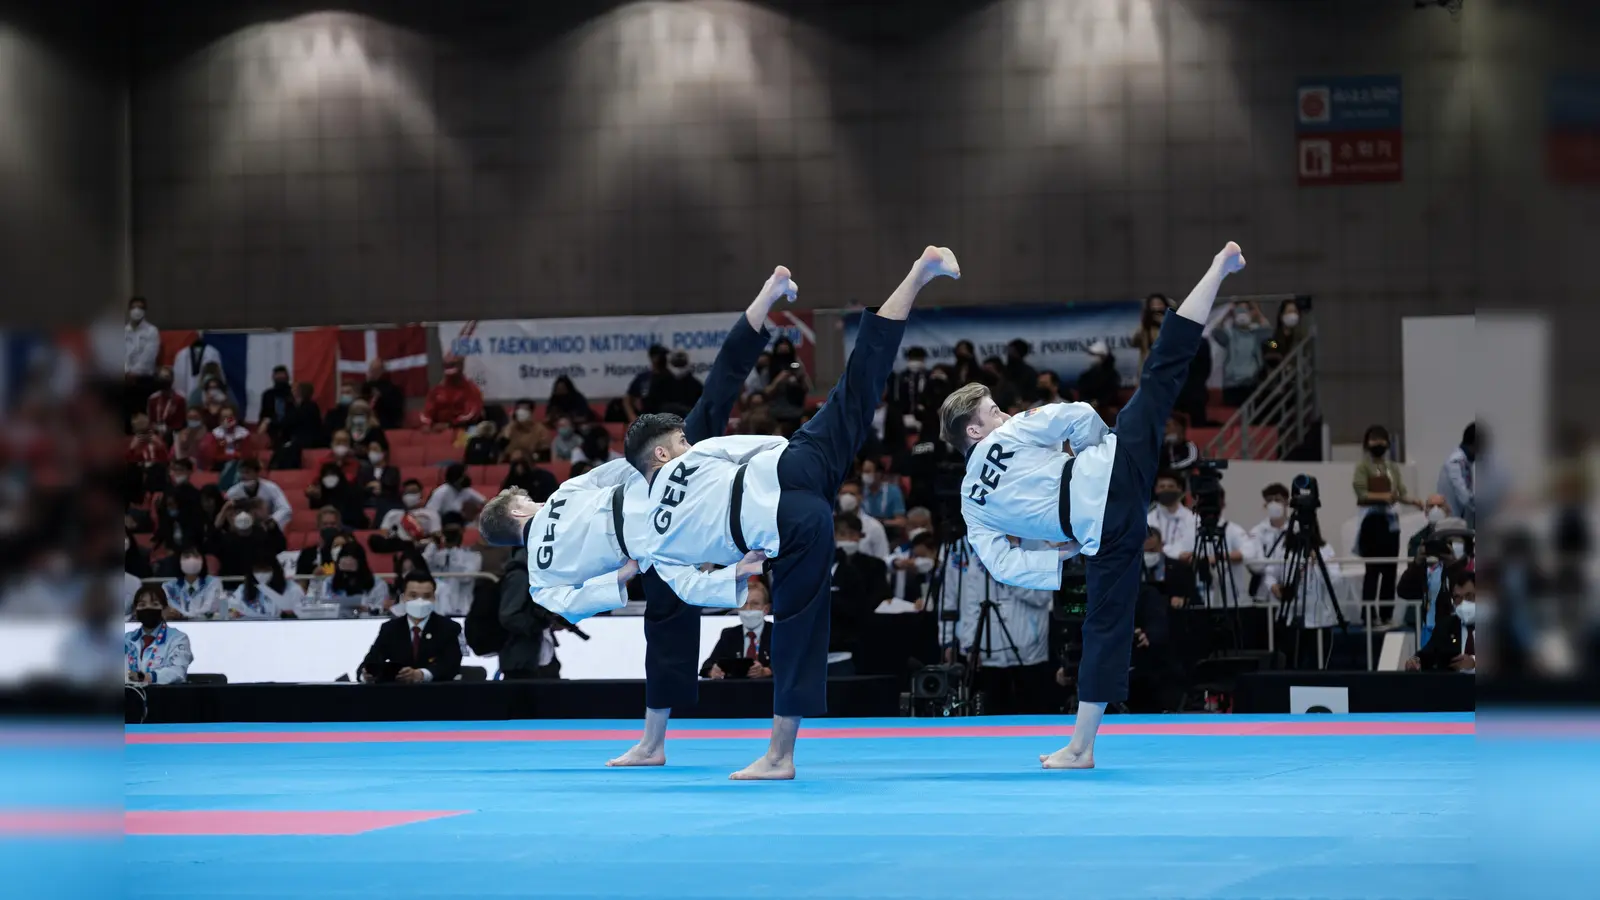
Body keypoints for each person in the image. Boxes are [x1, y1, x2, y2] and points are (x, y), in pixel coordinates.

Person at [621, 245, 959, 779]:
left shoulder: (656, 519)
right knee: (857, 387)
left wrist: (739, 571)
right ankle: (919, 274)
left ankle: (780, 756)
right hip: (796, 457)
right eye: (679, 436)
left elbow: (682, 588)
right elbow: (727, 372)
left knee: (798, 624)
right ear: (660, 454)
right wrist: (769, 294)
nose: (689, 436)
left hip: (785, 517)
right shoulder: (689, 458)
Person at [942, 241, 1245, 769]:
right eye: (993, 410)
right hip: (1115, 469)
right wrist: (1099, 447)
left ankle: (1081, 747)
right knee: (1161, 373)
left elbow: (1001, 563)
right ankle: (1219, 269)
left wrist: (1057, 558)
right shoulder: (1010, 433)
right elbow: (1077, 412)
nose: (1003, 412)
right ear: (974, 429)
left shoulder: (972, 505)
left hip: (1099, 532)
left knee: (1103, 626)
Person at [473, 266, 793, 765]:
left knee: (666, 633)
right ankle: (766, 299)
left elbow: (568, 605)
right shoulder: (560, 494)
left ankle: (653, 743)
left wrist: (620, 578)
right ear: (516, 509)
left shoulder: (538, 575)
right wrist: (659, 466)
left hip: (651, 543)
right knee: (715, 395)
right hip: (657, 494)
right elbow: (614, 472)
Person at [954, 541, 1056, 715]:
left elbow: (1042, 596)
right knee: (993, 722)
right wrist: (971, 643)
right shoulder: (981, 552)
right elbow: (970, 603)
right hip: (990, 652)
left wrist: (1007, 574)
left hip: (1029, 653)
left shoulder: (1040, 548)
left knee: (1031, 718)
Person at [1353, 424, 1422, 624]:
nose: (1378, 444)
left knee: (1390, 570)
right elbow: (1361, 493)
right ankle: (1368, 615)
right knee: (1373, 570)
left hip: (1391, 523)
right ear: (1367, 443)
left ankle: (1386, 614)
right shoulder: (1363, 467)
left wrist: (1414, 501)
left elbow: (1399, 493)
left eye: (1382, 440)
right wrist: (1385, 496)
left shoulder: (1392, 467)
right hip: (1372, 522)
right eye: (1374, 440)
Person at [358, 571, 462, 683]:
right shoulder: (390, 629)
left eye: (427, 596)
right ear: (403, 598)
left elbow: (451, 664)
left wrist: (421, 674)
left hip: (435, 694)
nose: (420, 601)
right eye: (413, 596)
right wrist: (366, 675)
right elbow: (370, 661)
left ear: (434, 598)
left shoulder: (448, 628)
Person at [1398, 519, 1469, 648]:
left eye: (1454, 541)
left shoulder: (1471, 566)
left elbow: (1464, 592)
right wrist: (1417, 562)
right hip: (1431, 633)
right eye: (1445, 542)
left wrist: (1453, 565)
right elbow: (1404, 591)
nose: (1450, 546)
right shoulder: (1434, 570)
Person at [496, 547, 563, 680]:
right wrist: (541, 622)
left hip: (539, 656)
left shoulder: (536, 576)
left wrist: (551, 619)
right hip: (520, 660)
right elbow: (509, 617)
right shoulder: (519, 575)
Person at [1406, 565, 1475, 672]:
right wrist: (1415, 660)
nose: (1463, 603)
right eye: (1458, 598)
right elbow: (1426, 654)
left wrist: (1474, 663)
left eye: (1469, 596)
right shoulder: (1446, 626)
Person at [702, 579, 773, 679]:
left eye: (755, 604)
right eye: (744, 603)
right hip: (735, 691)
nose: (748, 609)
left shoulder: (776, 633)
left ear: (766, 609)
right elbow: (706, 666)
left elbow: (789, 664)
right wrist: (712, 671)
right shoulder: (729, 635)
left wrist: (767, 671)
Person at [126, 585, 191, 685]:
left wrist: (143, 677)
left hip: (164, 698)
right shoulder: (126, 639)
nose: (148, 608)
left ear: (165, 609)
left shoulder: (178, 639)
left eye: (155, 604)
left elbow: (178, 672)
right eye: (142, 605)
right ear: (135, 611)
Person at [1212, 300, 1272, 408]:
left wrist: (1257, 312)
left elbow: (1269, 334)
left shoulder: (1255, 334)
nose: (1242, 313)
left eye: (1245, 310)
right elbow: (1215, 333)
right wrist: (1226, 315)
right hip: (1231, 386)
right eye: (1239, 310)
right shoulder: (1229, 334)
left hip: (1251, 384)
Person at [420, 515, 481, 616]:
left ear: (462, 531)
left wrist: (453, 550)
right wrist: (434, 544)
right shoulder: (436, 553)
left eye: (454, 532)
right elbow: (422, 565)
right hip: (436, 608)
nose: (451, 535)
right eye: (448, 532)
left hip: (461, 608)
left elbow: (466, 577)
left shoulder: (473, 556)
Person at [211, 500, 287, 577]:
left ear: (253, 515)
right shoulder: (225, 539)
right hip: (232, 585)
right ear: (231, 517)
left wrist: (268, 520)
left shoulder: (262, 535)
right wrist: (222, 515)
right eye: (237, 513)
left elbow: (280, 547)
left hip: (258, 583)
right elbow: (210, 547)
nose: (242, 515)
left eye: (246, 512)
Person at [313, 544, 390, 616]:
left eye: (351, 573)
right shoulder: (328, 582)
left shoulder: (378, 584)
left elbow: (382, 610)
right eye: (344, 572)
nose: (347, 576)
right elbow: (318, 606)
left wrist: (367, 610)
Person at [1247, 483, 1292, 602]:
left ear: (1287, 502)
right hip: (1263, 594)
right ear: (1265, 505)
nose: (1274, 504)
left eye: (1278, 500)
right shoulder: (1257, 532)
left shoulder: (1296, 529)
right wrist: (1271, 584)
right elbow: (1257, 565)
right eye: (1269, 501)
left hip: (1292, 593)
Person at [420, 356, 486, 432]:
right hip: (437, 430)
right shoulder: (436, 390)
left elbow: (471, 413)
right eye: (447, 365)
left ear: (461, 366)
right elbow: (426, 412)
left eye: (452, 365)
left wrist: (450, 425)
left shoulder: (471, 389)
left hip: (462, 429)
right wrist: (427, 424)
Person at [225, 459, 293, 530]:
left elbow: (285, 508)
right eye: (241, 473)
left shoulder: (271, 488)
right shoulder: (233, 492)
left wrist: (272, 520)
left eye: (247, 472)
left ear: (257, 473)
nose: (243, 476)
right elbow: (227, 511)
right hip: (242, 528)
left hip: (266, 526)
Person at [229, 556, 305, 619]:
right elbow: (231, 606)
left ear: (275, 569)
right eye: (257, 569)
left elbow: (299, 612)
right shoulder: (243, 589)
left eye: (266, 569)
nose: (262, 573)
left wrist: (289, 612)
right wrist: (233, 611)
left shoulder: (290, 588)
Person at [1147, 471, 1197, 566]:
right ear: (1156, 489)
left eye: (1170, 486)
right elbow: (1147, 548)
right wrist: (1176, 553)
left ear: (1179, 489)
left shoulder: (1192, 519)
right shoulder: (1148, 518)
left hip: (1183, 571)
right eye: (1162, 487)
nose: (1166, 490)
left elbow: (1188, 547)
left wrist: (1161, 550)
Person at [161, 546, 225, 620]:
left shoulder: (213, 583)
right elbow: (171, 609)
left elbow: (209, 608)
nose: (191, 559)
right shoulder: (169, 587)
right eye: (187, 556)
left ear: (202, 560)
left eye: (195, 556)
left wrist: (183, 616)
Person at [835, 479, 891, 560]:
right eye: (843, 493)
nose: (847, 497)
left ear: (861, 497)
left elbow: (883, 557)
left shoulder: (874, 526)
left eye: (852, 494)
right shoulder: (830, 523)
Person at [304, 461, 368, 529]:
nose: (329, 478)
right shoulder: (322, 493)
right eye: (326, 475)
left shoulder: (352, 491)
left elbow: (356, 517)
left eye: (332, 475)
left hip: (350, 527)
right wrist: (315, 498)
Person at [1438, 423, 1475, 529]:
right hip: (1450, 526)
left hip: (1460, 524)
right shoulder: (1455, 463)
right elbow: (1465, 498)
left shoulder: (1464, 463)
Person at [646, 350, 704, 416]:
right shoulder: (659, 384)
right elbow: (650, 407)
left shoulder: (696, 386)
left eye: (681, 363)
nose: (679, 369)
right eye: (676, 363)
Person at [1130, 293, 1171, 383]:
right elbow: (1133, 342)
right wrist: (1143, 323)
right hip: (1147, 372)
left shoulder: (1171, 325)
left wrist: (1166, 324)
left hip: (1166, 371)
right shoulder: (1145, 329)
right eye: (1153, 304)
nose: (1156, 307)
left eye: (1159, 304)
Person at [857, 457, 905, 532]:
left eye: (868, 472)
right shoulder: (859, 491)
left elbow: (901, 521)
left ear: (879, 474)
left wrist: (880, 522)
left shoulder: (893, 491)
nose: (864, 475)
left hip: (888, 531)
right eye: (863, 472)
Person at [171, 336, 223, 403]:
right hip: (185, 396)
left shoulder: (212, 353)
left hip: (208, 397)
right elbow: (177, 380)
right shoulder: (182, 354)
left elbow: (217, 376)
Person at [359, 442, 403, 520]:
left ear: (383, 453)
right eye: (370, 450)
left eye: (375, 449)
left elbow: (391, 486)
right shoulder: (364, 471)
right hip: (368, 502)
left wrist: (378, 486)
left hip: (388, 502)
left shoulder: (392, 470)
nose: (372, 453)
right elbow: (362, 488)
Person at [360, 358, 406, 430]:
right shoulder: (366, 387)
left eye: (374, 370)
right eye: (371, 369)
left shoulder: (392, 390)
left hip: (384, 424)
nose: (371, 372)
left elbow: (395, 413)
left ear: (382, 371)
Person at [888, 346, 931, 424]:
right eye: (913, 358)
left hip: (926, 416)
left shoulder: (929, 375)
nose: (916, 362)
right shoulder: (900, 377)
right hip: (904, 415)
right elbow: (895, 397)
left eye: (918, 359)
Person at [625, 346, 669, 421]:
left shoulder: (670, 377)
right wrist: (632, 417)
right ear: (653, 358)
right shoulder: (644, 378)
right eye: (661, 356)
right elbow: (627, 399)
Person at [1075, 340, 1120, 413]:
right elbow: (1082, 394)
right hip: (1087, 409)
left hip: (1104, 410)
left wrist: (1096, 403)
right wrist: (1089, 403)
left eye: (1094, 355)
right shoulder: (1085, 376)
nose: (1091, 357)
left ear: (1103, 357)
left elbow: (1110, 396)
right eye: (1090, 354)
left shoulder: (1112, 376)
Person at [145, 366, 188, 442]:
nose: (163, 379)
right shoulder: (153, 399)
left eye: (166, 376)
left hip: (174, 437)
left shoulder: (180, 399)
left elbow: (181, 424)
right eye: (161, 377)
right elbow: (150, 421)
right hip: (155, 436)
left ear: (172, 379)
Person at [257, 365, 296, 444]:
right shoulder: (268, 395)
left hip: (291, 428)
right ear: (273, 377)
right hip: (272, 429)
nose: (280, 377)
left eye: (282, 374)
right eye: (277, 375)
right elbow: (264, 414)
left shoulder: (293, 393)